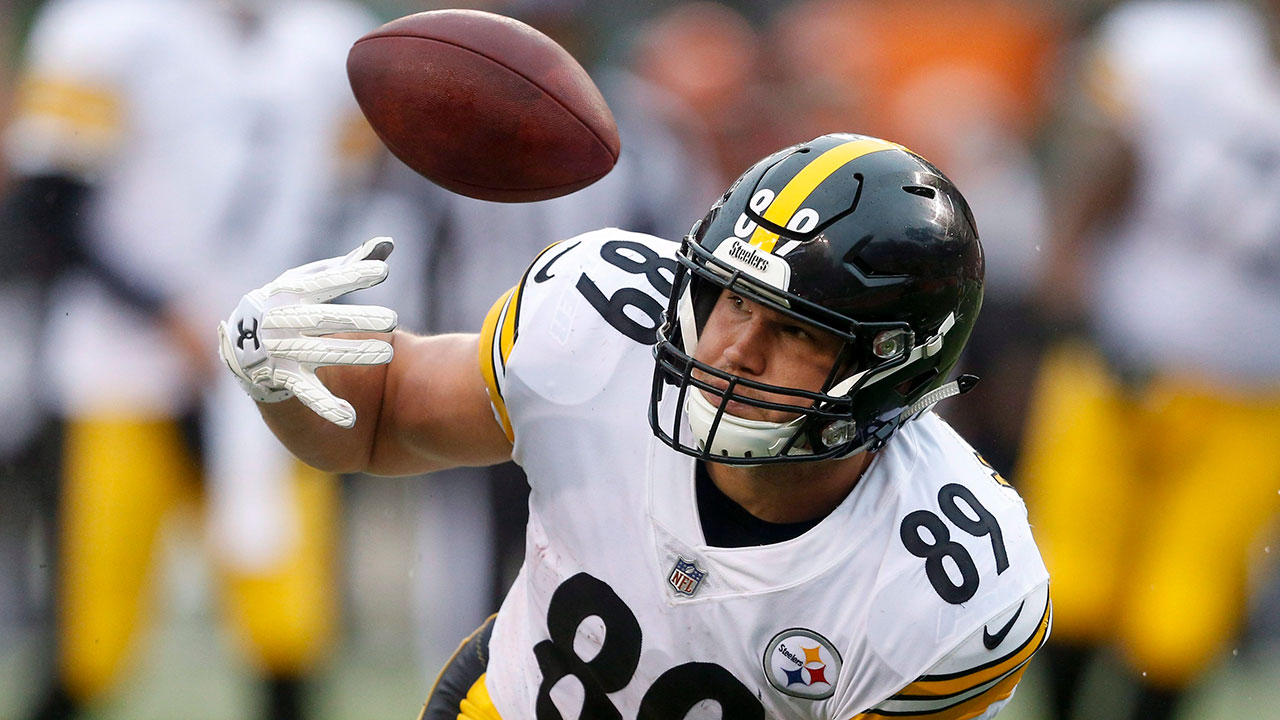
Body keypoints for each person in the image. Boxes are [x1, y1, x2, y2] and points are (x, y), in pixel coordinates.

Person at [219, 132, 1051, 719]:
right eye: (733, 298)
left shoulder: (948, 587)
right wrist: (284, 374)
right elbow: (378, 423)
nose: (737, 349)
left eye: (796, 330)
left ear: (894, 369)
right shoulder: (603, 328)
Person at [1, 0, 382, 717]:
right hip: (120, 369)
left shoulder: (335, 39)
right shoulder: (102, 29)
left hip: (266, 373)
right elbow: (46, 207)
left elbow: (353, 202)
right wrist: (163, 312)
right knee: (89, 641)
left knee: (288, 626)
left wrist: (294, 311)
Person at [1016, 1, 1280, 719]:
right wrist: (1065, 280)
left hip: (1258, 397)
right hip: (1124, 358)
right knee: (1070, 581)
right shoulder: (1172, 44)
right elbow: (1104, 152)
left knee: (1184, 615)